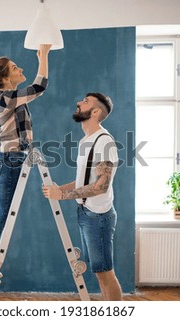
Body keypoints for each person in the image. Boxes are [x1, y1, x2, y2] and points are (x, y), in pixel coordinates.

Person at [0, 44, 51, 282]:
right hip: (8, 161)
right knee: (3, 212)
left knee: (6, 212)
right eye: (15, 68)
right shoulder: (4, 99)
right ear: (6, 78)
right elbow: (39, 87)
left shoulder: (13, 99)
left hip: (14, 160)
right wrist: (44, 55)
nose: (20, 69)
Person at [42, 93, 122, 301]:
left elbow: (101, 186)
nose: (78, 102)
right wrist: (61, 189)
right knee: (99, 273)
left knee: (106, 273)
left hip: (99, 217)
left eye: (85, 102)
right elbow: (84, 181)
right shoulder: (86, 140)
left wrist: (63, 194)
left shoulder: (104, 142)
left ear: (95, 112)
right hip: (86, 213)